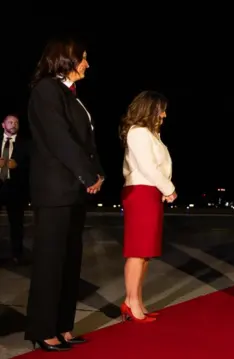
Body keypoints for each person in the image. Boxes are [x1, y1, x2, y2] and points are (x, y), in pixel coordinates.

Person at [25, 38, 104, 352]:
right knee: (50, 261)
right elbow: (60, 139)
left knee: (71, 261)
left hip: (73, 189)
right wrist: (86, 175)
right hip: (55, 189)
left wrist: (98, 173)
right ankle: (43, 329)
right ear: (66, 60)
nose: (87, 64)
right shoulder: (46, 90)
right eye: (83, 58)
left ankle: (63, 326)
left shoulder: (72, 96)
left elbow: (86, 141)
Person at [120, 91, 177, 322]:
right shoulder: (138, 132)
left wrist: (161, 189)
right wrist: (168, 188)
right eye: (161, 110)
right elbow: (148, 167)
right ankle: (130, 302)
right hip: (140, 192)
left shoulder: (151, 134)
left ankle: (137, 301)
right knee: (137, 251)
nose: (163, 115)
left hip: (150, 192)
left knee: (145, 253)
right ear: (150, 109)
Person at [0, 114, 30, 266]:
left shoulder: (25, 144)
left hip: (16, 190)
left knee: (17, 223)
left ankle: (17, 255)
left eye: (16, 122)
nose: (14, 124)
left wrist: (18, 166)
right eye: (10, 122)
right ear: (3, 125)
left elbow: (32, 166)